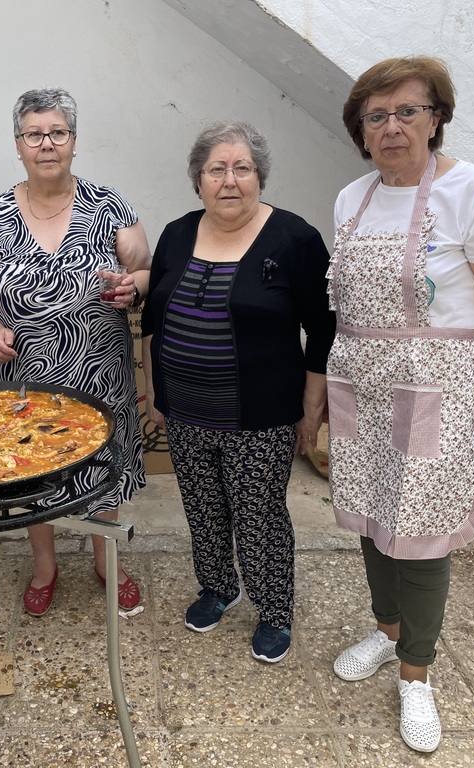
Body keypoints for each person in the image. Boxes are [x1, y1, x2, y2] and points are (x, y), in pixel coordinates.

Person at [327, 57, 474, 753]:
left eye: (407, 112)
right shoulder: (351, 198)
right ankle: (387, 633)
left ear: (437, 117)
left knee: (418, 525)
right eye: (376, 116)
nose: (391, 128)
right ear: (361, 130)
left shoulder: (471, 192)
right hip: (362, 379)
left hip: (437, 386)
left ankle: (417, 673)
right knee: (369, 507)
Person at [141, 121, 336, 663]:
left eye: (242, 168)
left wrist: (312, 405)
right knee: (202, 506)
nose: (230, 180)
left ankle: (274, 609)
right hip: (185, 409)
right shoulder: (178, 233)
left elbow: (322, 330)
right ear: (198, 179)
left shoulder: (295, 239)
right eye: (216, 169)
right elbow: (153, 316)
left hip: (261, 414)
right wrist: (155, 388)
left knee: (259, 514)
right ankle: (218, 587)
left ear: (259, 177)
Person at [0, 87, 151, 616]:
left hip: (100, 375)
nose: (47, 144)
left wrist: (132, 286)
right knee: (31, 468)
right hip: (24, 378)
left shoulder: (107, 205)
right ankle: (45, 566)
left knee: (101, 470)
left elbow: (145, 271)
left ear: (73, 141)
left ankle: (106, 560)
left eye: (58, 133)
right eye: (34, 134)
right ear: (18, 144)